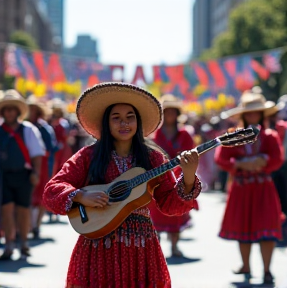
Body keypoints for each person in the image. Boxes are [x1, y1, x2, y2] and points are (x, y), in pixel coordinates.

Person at [43, 82, 201, 288]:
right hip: (97, 245)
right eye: (116, 118)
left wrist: (188, 178)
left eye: (130, 117)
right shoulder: (88, 156)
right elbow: (51, 190)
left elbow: (170, 206)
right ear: (106, 123)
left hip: (141, 248)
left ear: (139, 122)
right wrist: (80, 195)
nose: (124, 123)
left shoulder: (153, 158)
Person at [215, 88, 284, 285]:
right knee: (243, 226)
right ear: (244, 115)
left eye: (256, 112)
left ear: (262, 114)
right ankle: (246, 265)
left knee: (268, 227)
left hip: (264, 188)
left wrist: (264, 160)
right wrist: (239, 164)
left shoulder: (269, 136)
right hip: (241, 187)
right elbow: (221, 159)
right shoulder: (233, 135)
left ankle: (267, 270)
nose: (253, 116)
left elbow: (277, 159)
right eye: (250, 112)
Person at [0, 90, 45, 260]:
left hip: (24, 175)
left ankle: (24, 243)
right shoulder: (0, 131)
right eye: (6, 109)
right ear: (3, 112)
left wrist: (36, 172)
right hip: (4, 176)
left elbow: (37, 154)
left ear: (18, 112)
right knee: (6, 210)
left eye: (12, 109)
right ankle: (9, 245)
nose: (9, 112)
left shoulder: (28, 130)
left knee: (23, 210)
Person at [148, 94, 196, 257]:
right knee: (156, 212)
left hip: (178, 178)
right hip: (158, 180)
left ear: (177, 114)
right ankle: (157, 245)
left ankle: (175, 246)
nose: (170, 115)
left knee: (177, 212)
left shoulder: (185, 134)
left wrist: (185, 173)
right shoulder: (154, 136)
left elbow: (192, 155)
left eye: (172, 112)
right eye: (166, 112)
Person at [26, 95, 58, 238]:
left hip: (43, 165)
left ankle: (36, 225)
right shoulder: (23, 126)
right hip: (27, 165)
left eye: (32, 109)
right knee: (28, 197)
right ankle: (27, 226)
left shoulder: (44, 128)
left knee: (41, 197)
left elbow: (51, 149)